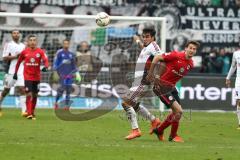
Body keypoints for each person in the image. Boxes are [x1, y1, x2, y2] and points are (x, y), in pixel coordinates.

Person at [146, 40, 200, 142]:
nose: (192, 50)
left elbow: (167, 66)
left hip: (171, 87)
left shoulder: (191, 64)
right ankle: (173, 135)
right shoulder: (176, 55)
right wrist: (152, 74)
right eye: (190, 48)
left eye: (194, 49)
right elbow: (158, 58)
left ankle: (160, 130)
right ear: (186, 48)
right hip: (161, 86)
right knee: (178, 111)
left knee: (177, 113)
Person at [122, 28, 163, 140]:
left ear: (153, 37)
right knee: (134, 104)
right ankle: (154, 121)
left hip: (144, 80)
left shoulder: (154, 46)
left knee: (126, 103)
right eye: (143, 36)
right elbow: (143, 48)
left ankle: (136, 130)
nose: (144, 39)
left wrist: (157, 76)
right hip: (138, 80)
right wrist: (137, 41)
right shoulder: (147, 47)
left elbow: (161, 59)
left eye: (147, 36)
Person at [14, 34, 49, 120]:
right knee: (29, 94)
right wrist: (15, 73)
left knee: (35, 95)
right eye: (31, 40)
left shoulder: (40, 52)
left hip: (36, 77)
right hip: (27, 77)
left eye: (34, 40)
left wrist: (46, 67)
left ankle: (32, 112)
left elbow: (45, 60)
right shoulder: (24, 52)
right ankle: (29, 113)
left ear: (36, 42)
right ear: (28, 42)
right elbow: (18, 62)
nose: (32, 42)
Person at [0, 30, 26, 117]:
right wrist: (15, 56)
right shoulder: (9, 44)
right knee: (5, 91)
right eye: (14, 33)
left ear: (20, 35)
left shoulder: (23, 46)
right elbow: (4, 58)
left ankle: (24, 111)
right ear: (11, 35)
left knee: (22, 89)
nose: (16, 34)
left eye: (17, 33)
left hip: (21, 71)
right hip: (11, 71)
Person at [53, 39, 81, 110]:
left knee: (68, 91)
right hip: (62, 75)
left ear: (69, 45)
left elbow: (73, 65)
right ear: (63, 45)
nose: (66, 45)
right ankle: (56, 102)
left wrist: (77, 73)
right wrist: (56, 71)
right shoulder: (60, 53)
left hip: (69, 75)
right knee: (62, 89)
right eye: (64, 44)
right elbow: (56, 63)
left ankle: (67, 106)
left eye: (67, 44)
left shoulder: (71, 54)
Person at [226, 49, 240, 129]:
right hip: (239, 81)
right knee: (239, 100)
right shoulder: (236, 54)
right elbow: (233, 66)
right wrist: (228, 77)